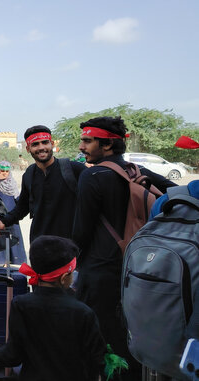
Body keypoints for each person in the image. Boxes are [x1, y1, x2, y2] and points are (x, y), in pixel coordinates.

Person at [72, 116, 176, 380]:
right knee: (130, 333)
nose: (82, 147)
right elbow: (179, 194)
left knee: (99, 338)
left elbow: (80, 233)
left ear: (107, 146)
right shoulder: (136, 171)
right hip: (139, 268)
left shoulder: (92, 176)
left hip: (99, 271)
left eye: (87, 141)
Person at [0, 235, 108, 381]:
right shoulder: (83, 312)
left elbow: (12, 357)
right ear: (63, 278)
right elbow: (101, 361)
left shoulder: (21, 304)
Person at [0, 125, 86, 242]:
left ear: (52, 144)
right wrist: (3, 221)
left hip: (72, 244)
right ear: (28, 149)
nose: (41, 147)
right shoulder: (29, 174)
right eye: (35, 144)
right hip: (40, 243)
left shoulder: (75, 169)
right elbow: (23, 206)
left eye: (45, 142)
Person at [0, 161, 26, 264]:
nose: (4, 173)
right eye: (2, 171)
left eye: (7, 171)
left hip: (11, 217)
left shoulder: (13, 185)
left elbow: (19, 200)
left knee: (13, 242)